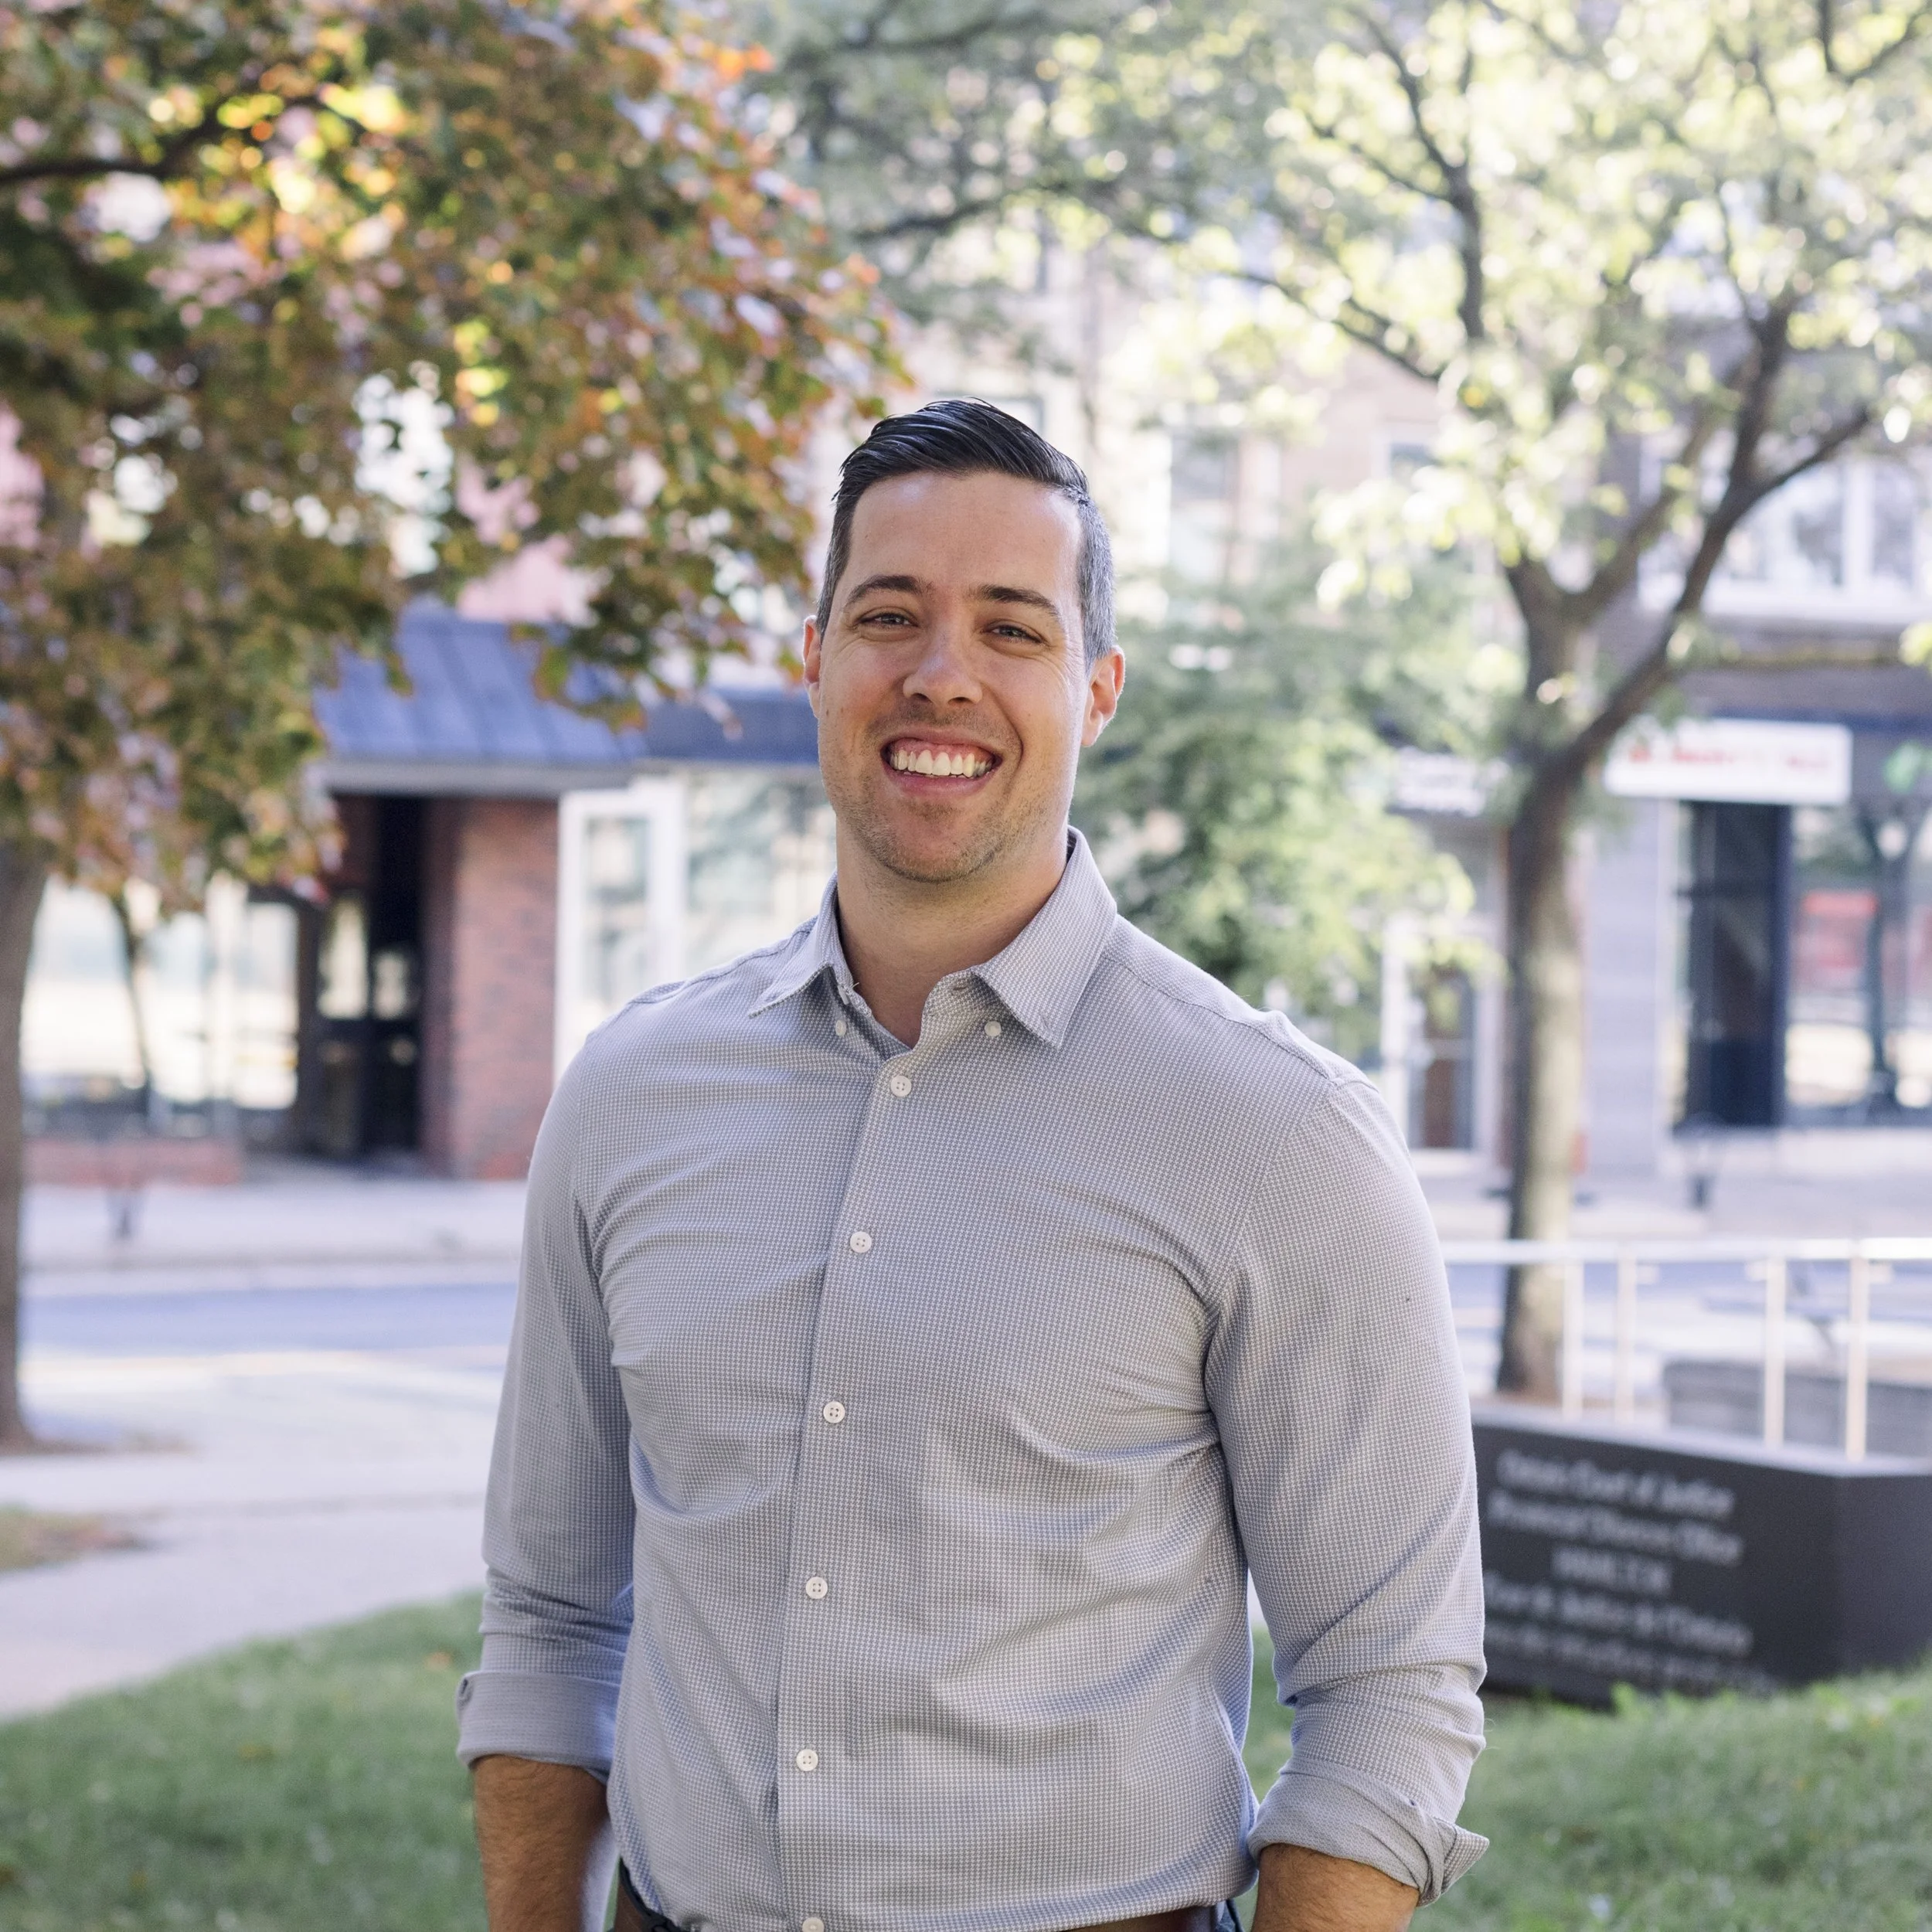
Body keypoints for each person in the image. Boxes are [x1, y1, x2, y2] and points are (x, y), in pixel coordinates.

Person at [458, 399, 1487, 1932]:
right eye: (888, 615)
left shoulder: (1272, 1132)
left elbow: (1386, 1687)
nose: (939, 671)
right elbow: (548, 1614)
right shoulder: (629, 1090)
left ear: (1096, 687)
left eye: (1011, 627)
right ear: (811, 657)